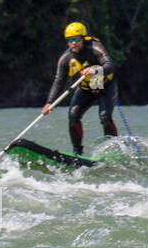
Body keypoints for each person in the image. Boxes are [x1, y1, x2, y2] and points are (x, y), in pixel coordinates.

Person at [41, 21, 119, 156]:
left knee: (105, 117)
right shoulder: (66, 59)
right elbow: (59, 81)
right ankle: (77, 153)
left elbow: (110, 65)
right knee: (73, 115)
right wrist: (50, 102)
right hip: (86, 89)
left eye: (76, 39)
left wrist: (95, 71)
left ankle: (113, 151)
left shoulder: (95, 48)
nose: (73, 43)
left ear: (83, 38)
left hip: (105, 86)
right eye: (70, 40)